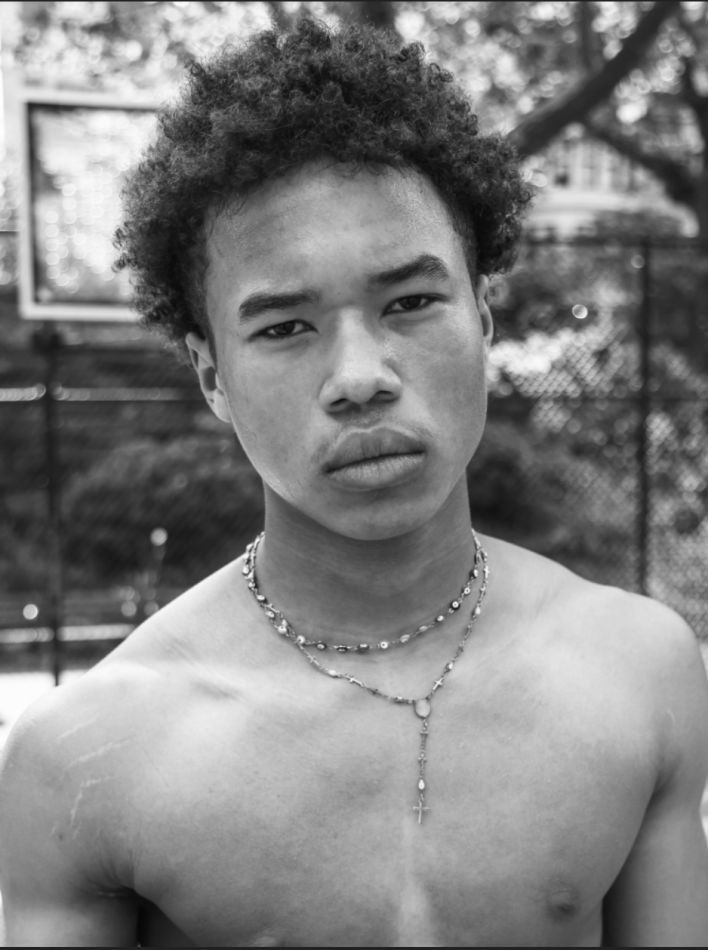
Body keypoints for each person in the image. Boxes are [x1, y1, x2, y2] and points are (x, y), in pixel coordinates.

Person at [1, 16, 708, 949]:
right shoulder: (89, 756)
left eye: (410, 302)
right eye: (285, 328)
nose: (360, 376)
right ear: (211, 374)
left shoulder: (639, 671)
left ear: (483, 316)